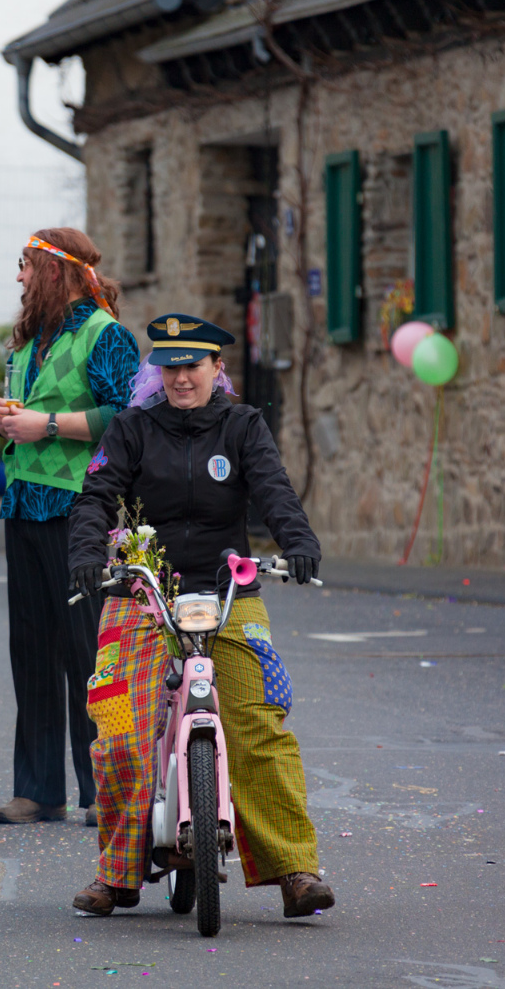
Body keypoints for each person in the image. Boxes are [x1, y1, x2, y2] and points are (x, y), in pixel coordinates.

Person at [65, 312, 335, 919]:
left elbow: (273, 489)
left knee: (260, 725)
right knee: (120, 735)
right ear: (158, 373)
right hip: (142, 588)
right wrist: (87, 554)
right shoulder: (132, 428)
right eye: (171, 367)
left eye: (194, 366)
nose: (181, 378)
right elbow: (96, 498)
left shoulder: (244, 427)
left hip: (228, 591)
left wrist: (297, 542)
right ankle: (118, 874)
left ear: (218, 368)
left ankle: (296, 870)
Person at [0, 229, 139, 827]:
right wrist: (5, 417)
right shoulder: (28, 339)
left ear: (54, 272)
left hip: (82, 508)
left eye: (25, 267)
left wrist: (45, 424)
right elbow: (25, 410)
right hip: (25, 503)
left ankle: (107, 789)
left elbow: (125, 416)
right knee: (32, 648)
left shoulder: (107, 335)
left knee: (89, 651)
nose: (19, 278)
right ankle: (38, 788)